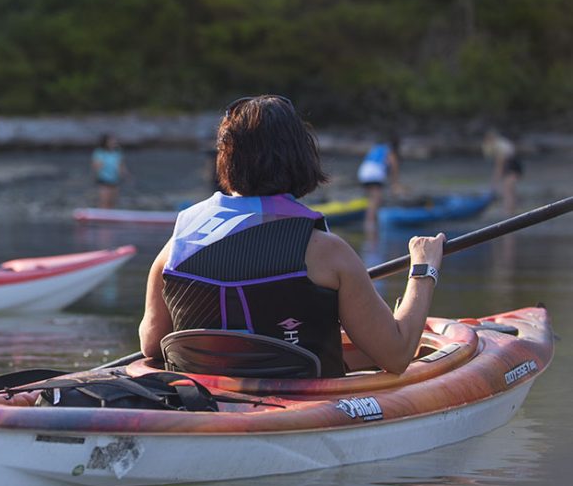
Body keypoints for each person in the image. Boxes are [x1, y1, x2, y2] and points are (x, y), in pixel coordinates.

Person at [138, 95, 445, 377]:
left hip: (203, 400)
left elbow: (151, 345)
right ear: (300, 156)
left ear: (226, 160)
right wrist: (423, 267)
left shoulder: (177, 244)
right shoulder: (328, 254)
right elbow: (397, 355)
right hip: (301, 409)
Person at [357, 136, 403, 234]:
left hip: (363, 171)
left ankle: (370, 221)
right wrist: (395, 183)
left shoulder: (377, 148)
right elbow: (394, 166)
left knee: (371, 197)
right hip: (375, 173)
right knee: (376, 199)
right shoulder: (390, 151)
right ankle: (371, 224)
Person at [483, 129, 522, 214]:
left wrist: (495, 180)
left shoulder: (499, 146)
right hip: (512, 165)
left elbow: (499, 165)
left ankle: (509, 210)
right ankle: (511, 209)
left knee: (508, 189)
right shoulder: (501, 143)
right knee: (509, 189)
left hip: (511, 166)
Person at [91, 133, 129, 209]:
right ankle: (101, 216)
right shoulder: (99, 152)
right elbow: (95, 166)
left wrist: (126, 175)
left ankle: (110, 216)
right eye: (112, 141)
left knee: (113, 201)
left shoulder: (117, 153)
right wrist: (96, 174)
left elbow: (121, 166)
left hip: (115, 179)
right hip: (104, 179)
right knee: (104, 201)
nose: (114, 142)